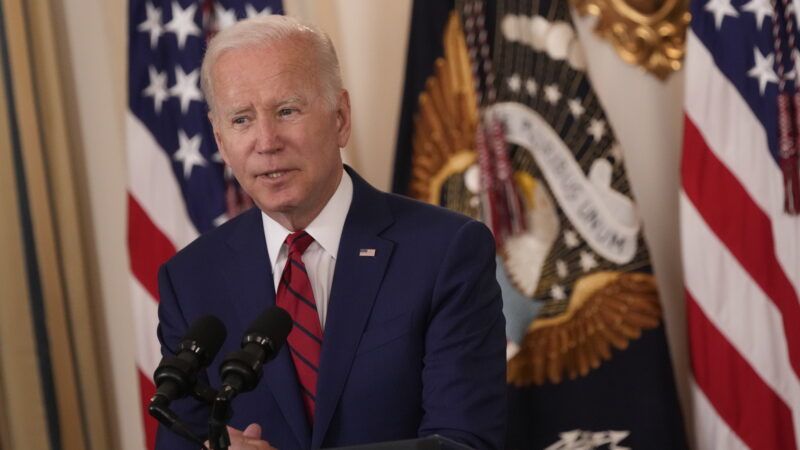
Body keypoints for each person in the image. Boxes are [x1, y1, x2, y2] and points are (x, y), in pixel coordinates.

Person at [155, 14, 506, 450]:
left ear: (340, 117)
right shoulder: (190, 279)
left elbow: (465, 442)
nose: (266, 141)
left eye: (287, 111)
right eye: (242, 120)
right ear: (220, 139)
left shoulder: (445, 252)